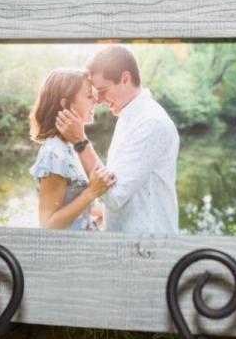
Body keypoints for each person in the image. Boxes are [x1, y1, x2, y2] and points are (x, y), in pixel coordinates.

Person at [55, 46, 180, 234]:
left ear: (125, 78)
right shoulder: (129, 115)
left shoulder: (151, 123)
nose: (98, 100)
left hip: (146, 245)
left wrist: (80, 142)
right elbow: (115, 181)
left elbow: (115, 196)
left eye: (102, 91)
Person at [26, 68, 115, 230]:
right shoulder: (54, 153)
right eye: (89, 96)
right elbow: (48, 225)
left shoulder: (71, 147)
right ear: (66, 105)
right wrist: (91, 192)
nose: (95, 101)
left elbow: (72, 203)